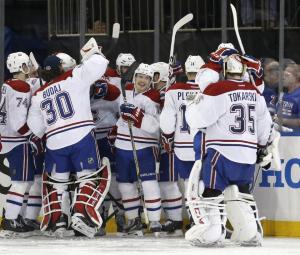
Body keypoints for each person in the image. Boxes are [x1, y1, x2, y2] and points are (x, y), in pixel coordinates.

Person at [185, 53, 273, 247]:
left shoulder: (217, 89)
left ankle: (212, 231)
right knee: (241, 191)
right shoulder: (254, 92)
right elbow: (264, 123)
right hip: (248, 153)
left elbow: (198, 120)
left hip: (221, 151)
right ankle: (250, 232)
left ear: (224, 70)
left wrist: (191, 106)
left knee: (210, 190)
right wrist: (261, 146)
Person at [27, 38, 111, 238]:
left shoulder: (39, 94)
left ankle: (58, 221)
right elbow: (100, 65)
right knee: (88, 176)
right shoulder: (74, 77)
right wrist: (93, 52)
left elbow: (36, 127)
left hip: (54, 140)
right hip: (80, 135)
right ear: (63, 68)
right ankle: (82, 215)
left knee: (58, 184)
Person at [114, 63, 161, 236]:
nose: (142, 80)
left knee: (148, 184)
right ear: (135, 78)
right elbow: (118, 116)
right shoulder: (124, 94)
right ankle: (133, 220)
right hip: (122, 145)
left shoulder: (153, 98)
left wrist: (137, 115)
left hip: (145, 147)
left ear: (151, 81)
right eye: (140, 76)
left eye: (147, 78)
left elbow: (155, 126)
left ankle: (155, 220)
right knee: (125, 186)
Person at [160, 55, 204, 229]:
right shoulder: (209, 89)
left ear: (185, 71)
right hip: (202, 143)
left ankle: (194, 217)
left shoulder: (173, 91)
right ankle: (201, 218)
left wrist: (168, 137)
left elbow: (167, 121)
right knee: (202, 181)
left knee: (187, 181)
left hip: (182, 146)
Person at [0, 52, 36, 237]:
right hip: (17, 141)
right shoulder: (20, 87)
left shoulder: (9, 84)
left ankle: (17, 217)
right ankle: (11, 219)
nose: (29, 67)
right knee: (21, 183)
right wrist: (33, 134)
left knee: (27, 181)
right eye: (26, 65)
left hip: (7, 138)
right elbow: (18, 124)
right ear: (21, 67)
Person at [151, 61, 184, 236]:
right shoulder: (162, 93)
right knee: (164, 182)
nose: (152, 79)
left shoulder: (168, 94)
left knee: (168, 182)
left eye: (155, 75)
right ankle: (173, 219)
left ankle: (176, 220)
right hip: (163, 144)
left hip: (170, 144)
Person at [90, 77, 126, 236]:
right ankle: (99, 217)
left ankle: (120, 215)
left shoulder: (113, 94)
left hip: (108, 139)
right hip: (89, 140)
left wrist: (117, 128)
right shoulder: (80, 91)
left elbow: (123, 115)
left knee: (114, 181)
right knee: (96, 182)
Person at [276, 64, 300, 130]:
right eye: (283, 75)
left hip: (295, 136)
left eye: (287, 75)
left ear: (297, 77)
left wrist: (281, 121)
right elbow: (277, 114)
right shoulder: (282, 94)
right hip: (279, 134)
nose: (283, 78)